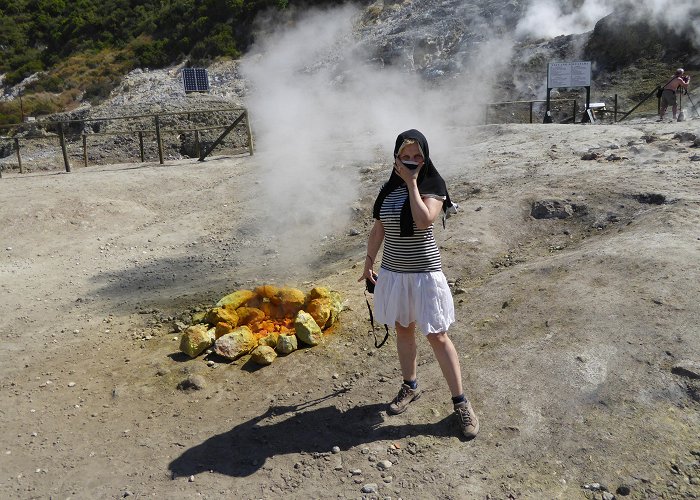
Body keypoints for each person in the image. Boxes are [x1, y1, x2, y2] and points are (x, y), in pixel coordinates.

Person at [359, 129, 479, 439]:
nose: (411, 161)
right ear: (395, 159)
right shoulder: (387, 189)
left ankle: (460, 403)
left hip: (425, 274)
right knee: (403, 329)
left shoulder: (432, 184)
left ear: (425, 157)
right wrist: (370, 259)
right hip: (395, 274)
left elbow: (424, 219)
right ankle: (410, 386)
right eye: (405, 156)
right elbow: (379, 227)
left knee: (437, 336)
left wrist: (412, 182)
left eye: (417, 156)